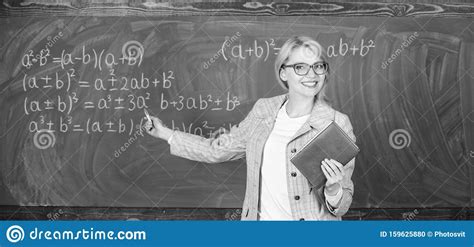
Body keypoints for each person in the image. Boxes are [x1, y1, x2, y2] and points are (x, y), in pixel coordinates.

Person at [143, 36, 356, 221]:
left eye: (318, 66)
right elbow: (217, 149)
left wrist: (334, 189)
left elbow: (343, 204)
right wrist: (166, 134)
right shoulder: (264, 110)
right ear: (283, 73)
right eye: (300, 67)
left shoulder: (336, 123)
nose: (312, 74)